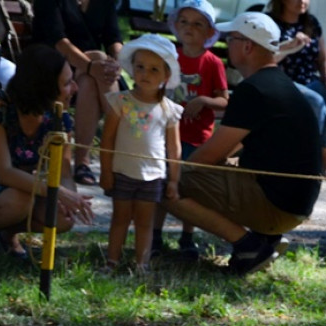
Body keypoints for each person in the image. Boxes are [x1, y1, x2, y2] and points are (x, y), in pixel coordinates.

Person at [162, 12, 321, 276]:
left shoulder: (253, 90)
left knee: (165, 183)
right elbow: (236, 148)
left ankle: (249, 245)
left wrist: (177, 170)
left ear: (247, 46)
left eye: (231, 38)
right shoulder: (279, 84)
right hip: (296, 205)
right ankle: (265, 238)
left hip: (277, 207)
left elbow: (207, 157)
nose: (226, 44)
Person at [0, 44, 93, 259]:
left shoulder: (60, 119)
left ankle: (7, 232)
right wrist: (59, 193)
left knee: (62, 218)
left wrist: (69, 198)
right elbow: (3, 172)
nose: (74, 88)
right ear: (42, 87)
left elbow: (64, 173)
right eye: (66, 83)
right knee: (20, 202)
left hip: (23, 188)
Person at [99, 35, 183, 274]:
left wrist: (174, 180)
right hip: (122, 172)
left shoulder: (169, 110)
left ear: (166, 76)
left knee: (145, 222)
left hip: (153, 176)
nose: (145, 73)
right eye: (140, 67)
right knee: (120, 219)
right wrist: (106, 171)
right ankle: (111, 262)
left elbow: (174, 149)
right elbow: (107, 140)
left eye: (154, 69)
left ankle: (141, 265)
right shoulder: (120, 102)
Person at [153, 0, 228, 259]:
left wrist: (205, 101)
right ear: (175, 25)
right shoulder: (169, 57)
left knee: (189, 188)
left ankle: (187, 237)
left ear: (209, 32)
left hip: (197, 139)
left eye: (198, 24)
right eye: (184, 21)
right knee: (161, 186)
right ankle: (154, 236)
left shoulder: (212, 63)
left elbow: (224, 99)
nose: (189, 28)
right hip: (165, 135)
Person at [31, 0, 122, 185]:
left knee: (88, 82)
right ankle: (124, 135)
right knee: (97, 59)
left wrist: (117, 62)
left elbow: (113, 38)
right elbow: (59, 42)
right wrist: (91, 65)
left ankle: (82, 163)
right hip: (53, 65)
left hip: (93, 74)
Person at [270, 0, 326, 179]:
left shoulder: (311, 23)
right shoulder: (270, 23)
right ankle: (307, 161)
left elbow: (323, 59)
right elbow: (265, 60)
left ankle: (324, 162)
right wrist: (288, 46)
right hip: (281, 80)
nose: (302, 1)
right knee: (315, 101)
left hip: (309, 80)